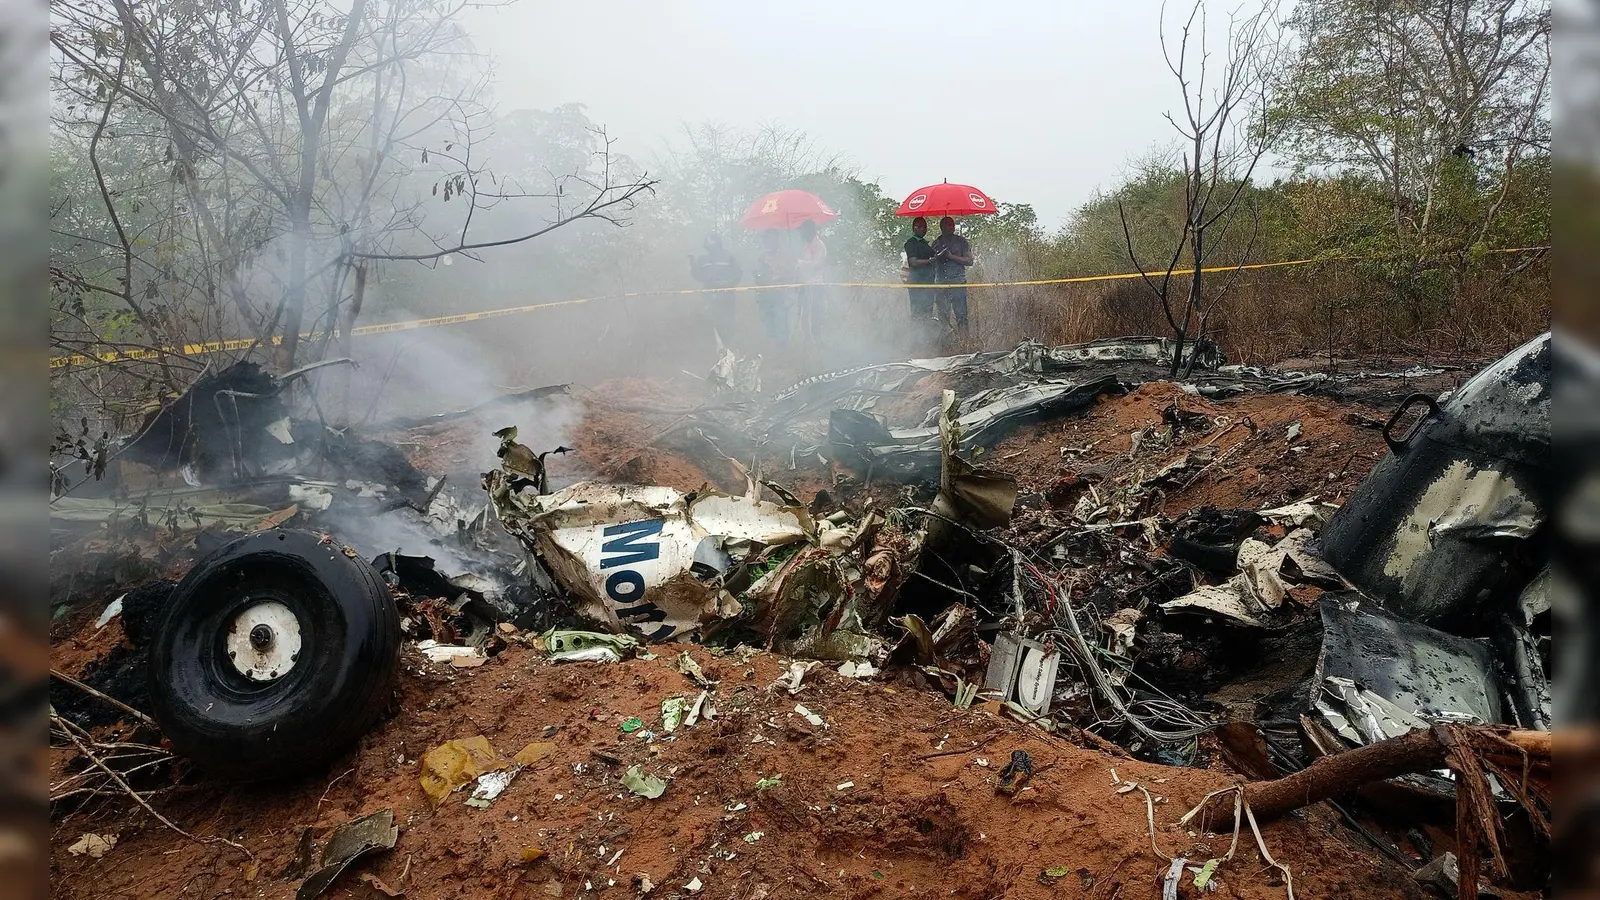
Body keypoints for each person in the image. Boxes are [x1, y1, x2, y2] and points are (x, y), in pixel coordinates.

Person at [930, 215, 973, 338]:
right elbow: (931, 263)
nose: (951, 227)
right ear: (941, 227)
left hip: (957, 282)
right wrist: (937, 257)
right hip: (941, 283)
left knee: (961, 315)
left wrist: (951, 256)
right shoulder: (936, 243)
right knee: (943, 316)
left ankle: (965, 343)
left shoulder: (961, 241)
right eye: (948, 225)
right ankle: (947, 343)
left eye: (952, 225)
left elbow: (969, 261)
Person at [689, 233, 742, 326]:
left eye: (710, 241)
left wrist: (728, 284)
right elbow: (699, 276)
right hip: (709, 296)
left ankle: (728, 339)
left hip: (727, 296)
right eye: (706, 241)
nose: (708, 243)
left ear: (717, 242)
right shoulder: (702, 259)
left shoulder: (729, 256)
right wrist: (693, 267)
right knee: (709, 322)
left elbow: (738, 273)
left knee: (727, 323)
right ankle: (712, 338)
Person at [752, 230, 794, 346]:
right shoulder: (761, 256)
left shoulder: (783, 256)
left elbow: (789, 274)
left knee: (780, 324)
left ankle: (783, 351)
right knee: (768, 325)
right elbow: (756, 273)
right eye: (766, 239)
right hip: (764, 296)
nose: (768, 242)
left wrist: (775, 276)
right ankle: (772, 351)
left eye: (770, 239)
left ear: (776, 241)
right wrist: (758, 275)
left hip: (779, 295)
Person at [903, 216, 937, 345]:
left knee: (927, 311)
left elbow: (933, 256)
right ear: (914, 228)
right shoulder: (910, 243)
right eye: (919, 226)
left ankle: (926, 340)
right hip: (917, 283)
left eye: (924, 227)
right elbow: (913, 262)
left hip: (928, 282)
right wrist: (929, 260)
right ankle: (915, 341)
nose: (923, 229)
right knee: (917, 312)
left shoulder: (925, 243)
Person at [794, 219, 828, 339]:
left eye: (803, 231)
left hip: (815, 286)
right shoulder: (806, 246)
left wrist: (800, 263)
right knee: (803, 316)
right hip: (804, 286)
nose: (801, 234)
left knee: (814, 318)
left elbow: (818, 265)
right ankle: (807, 342)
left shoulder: (819, 245)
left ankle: (817, 343)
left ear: (809, 231)